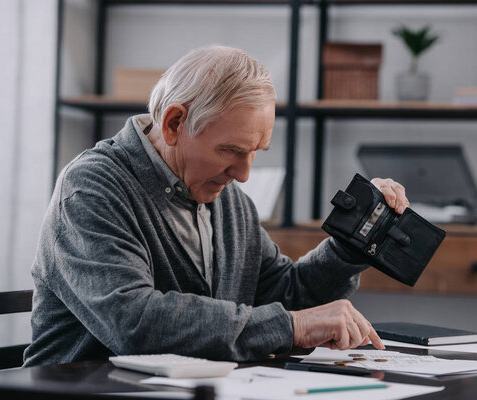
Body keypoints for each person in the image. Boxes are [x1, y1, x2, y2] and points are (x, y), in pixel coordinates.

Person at [23, 46, 409, 367]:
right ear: (174, 123)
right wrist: (292, 327)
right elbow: (134, 322)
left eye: (255, 152)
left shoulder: (228, 200)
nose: (243, 174)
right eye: (231, 150)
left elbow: (282, 295)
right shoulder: (92, 188)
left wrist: (352, 243)